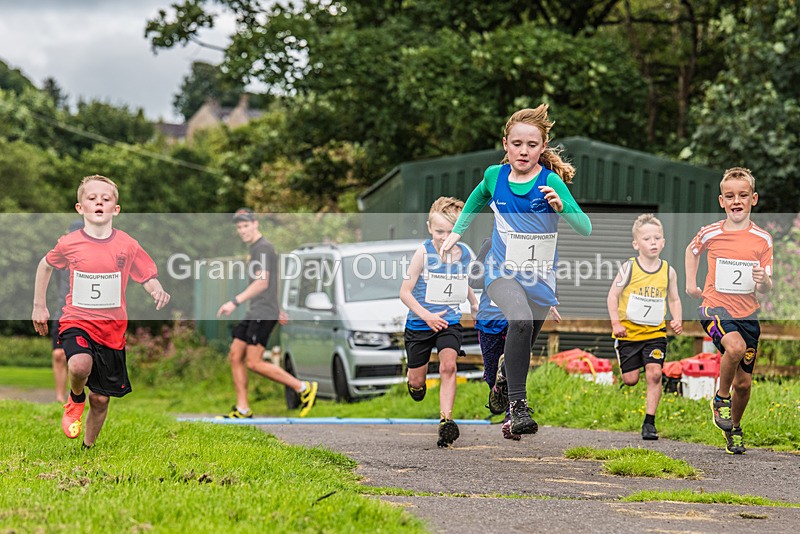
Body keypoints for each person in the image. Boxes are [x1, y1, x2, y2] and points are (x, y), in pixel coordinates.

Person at [441, 104, 592, 436]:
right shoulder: (494, 177)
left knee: (523, 340)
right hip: (501, 271)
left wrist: (561, 204)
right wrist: (455, 234)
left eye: (532, 145)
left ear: (543, 148)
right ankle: (518, 408)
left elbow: (585, 227)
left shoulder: (550, 181)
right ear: (506, 144)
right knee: (519, 320)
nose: (524, 151)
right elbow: (476, 200)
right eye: (517, 144)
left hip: (539, 277)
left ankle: (503, 381)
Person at [32, 175, 171, 448]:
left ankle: (88, 447)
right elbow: (45, 265)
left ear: (115, 209)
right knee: (79, 364)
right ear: (79, 208)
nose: (99, 203)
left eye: (106, 199)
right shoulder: (69, 242)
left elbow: (146, 275)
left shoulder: (127, 244)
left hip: (112, 329)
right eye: (92, 198)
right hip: (76, 319)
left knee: (101, 398)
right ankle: (74, 398)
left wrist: (156, 289)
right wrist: (40, 305)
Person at [685, 167, 773, 455]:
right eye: (730, 196)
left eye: (743, 195)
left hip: (747, 315)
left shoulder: (763, 239)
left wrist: (764, 280)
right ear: (721, 201)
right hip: (713, 307)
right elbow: (691, 250)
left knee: (745, 384)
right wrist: (690, 283)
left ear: (754, 199)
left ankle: (734, 428)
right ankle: (721, 398)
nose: (737, 200)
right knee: (733, 348)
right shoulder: (710, 232)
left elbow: (766, 287)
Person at [216, 208, 318, 418]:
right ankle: (243, 409)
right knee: (236, 354)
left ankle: (303, 387)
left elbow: (262, 282)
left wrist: (234, 302)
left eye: (245, 225)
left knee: (254, 362)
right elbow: (271, 282)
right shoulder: (256, 249)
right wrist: (278, 307)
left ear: (255, 224)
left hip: (262, 312)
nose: (242, 230)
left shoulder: (263, 248)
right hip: (259, 310)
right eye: (239, 227)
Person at [400, 196, 479, 448]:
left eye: (450, 231)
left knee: (448, 367)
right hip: (420, 323)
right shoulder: (423, 253)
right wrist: (426, 315)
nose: (444, 237)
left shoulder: (464, 253)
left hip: (449, 322)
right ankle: (415, 386)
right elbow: (405, 292)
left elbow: (462, 281)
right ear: (429, 228)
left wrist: (474, 304)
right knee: (417, 381)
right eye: (439, 231)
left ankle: (446, 423)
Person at [607, 214, 683, 441]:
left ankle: (649, 423)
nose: (652, 242)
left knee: (655, 374)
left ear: (663, 242)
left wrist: (677, 318)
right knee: (630, 379)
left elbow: (674, 299)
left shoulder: (668, 271)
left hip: (655, 333)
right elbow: (613, 296)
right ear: (636, 244)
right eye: (647, 238)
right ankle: (633, 360)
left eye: (657, 238)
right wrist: (616, 323)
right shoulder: (629, 268)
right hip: (628, 333)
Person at [50, 220, 84, 403]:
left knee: (78, 359)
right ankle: (59, 398)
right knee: (58, 354)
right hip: (62, 311)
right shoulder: (60, 256)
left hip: (84, 314)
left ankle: (76, 396)